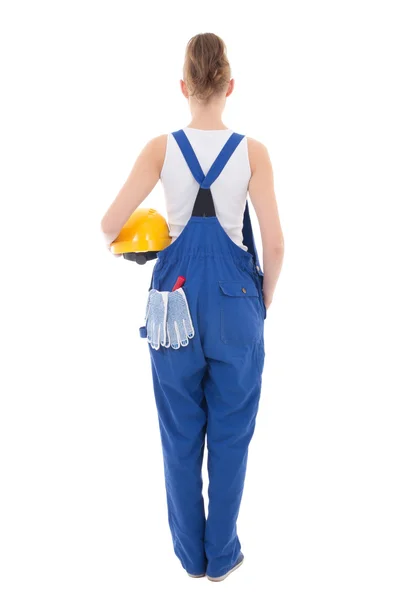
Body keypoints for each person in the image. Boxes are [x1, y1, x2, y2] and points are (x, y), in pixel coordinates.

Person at [100, 32, 284, 582]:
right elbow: (273, 245)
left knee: (180, 434)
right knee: (231, 434)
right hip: (236, 305)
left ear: (185, 86)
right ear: (230, 86)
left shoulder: (160, 148)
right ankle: (222, 557)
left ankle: (190, 557)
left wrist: (147, 241)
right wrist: (262, 299)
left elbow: (110, 226)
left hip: (171, 303)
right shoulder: (254, 153)